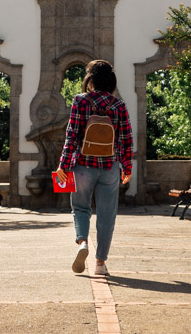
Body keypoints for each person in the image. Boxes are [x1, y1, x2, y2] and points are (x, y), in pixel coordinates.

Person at [56, 59, 133, 276]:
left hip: (82, 166)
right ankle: (100, 263)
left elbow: (71, 136)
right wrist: (127, 168)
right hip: (110, 167)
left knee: (80, 208)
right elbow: (126, 140)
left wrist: (63, 164)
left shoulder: (80, 101)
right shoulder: (118, 105)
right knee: (107, 215)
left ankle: (82, 243)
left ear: (90, 79)